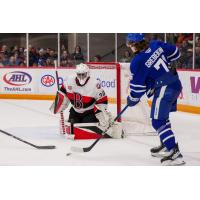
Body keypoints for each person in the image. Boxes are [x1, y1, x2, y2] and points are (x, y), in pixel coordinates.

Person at [126, 33, 185, 166]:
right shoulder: (155, 44)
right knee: (163, 118)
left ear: (133, 44)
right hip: (175, 83)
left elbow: (138, 90)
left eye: (129, 43)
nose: (129, 46)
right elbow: (176, 53)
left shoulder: (137, 61)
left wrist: (132, 99)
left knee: (157, 122)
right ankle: (165, 145)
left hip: (165, 89)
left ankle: (174, 153)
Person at [51, 63, 123, 140]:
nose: (81, 77)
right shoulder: (68, 81)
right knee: (73, 123)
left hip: (89, 112)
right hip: (75, 111)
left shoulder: (95, 84)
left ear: (87, 73)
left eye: (83, 74)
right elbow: (63, 94)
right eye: (79, 74)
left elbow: (102, 99)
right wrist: (58, 105)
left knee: (87, 125)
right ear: (76, 74)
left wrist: (103, 112)